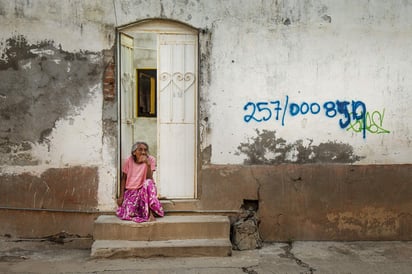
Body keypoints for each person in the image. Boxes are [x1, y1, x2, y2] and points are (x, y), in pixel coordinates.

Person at [116, 141, 164, 222]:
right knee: (129, 213)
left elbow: (149, 178)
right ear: (134, 152)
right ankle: (143, 211)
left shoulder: (151, 160)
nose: (143, 152)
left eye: (145, 150)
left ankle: (150, 213)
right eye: (140, 150)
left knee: (148, 182)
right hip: (132, 191)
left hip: (145, 190)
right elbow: (123, 178)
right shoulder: (129, 160)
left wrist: (147, 164)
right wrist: (121, 196)